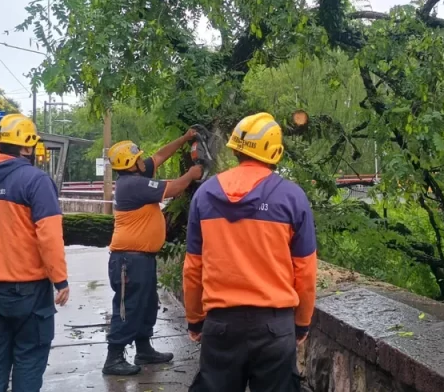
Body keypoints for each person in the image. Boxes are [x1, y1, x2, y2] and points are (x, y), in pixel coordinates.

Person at [183, 112, 317, 392]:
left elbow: (193, 267)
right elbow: (305, 272)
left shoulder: (204, 194)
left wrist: (195, 319)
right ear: (275, 152)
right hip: (274, 327)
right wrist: (301, 323)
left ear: (235, 149)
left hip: (221, 325)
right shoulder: (292, 197)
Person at [0, 113, 69, 392]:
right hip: (29, 291)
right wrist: (60, 279)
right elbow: (49, 236)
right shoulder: (36, 181)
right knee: (29, 357)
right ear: (25, 147)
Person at [102, 131, 205, 376]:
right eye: (138, 157)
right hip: (128, 260)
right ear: (131, 164)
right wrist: (192, 173)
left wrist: (184, 138)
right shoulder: (133, 185)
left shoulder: (135, 175)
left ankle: (144, 349)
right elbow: (174, 188)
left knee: (147, 305)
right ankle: (113, 357)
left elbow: (159, 156)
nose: (143, 159)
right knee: (128, 307)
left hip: (141, 259)